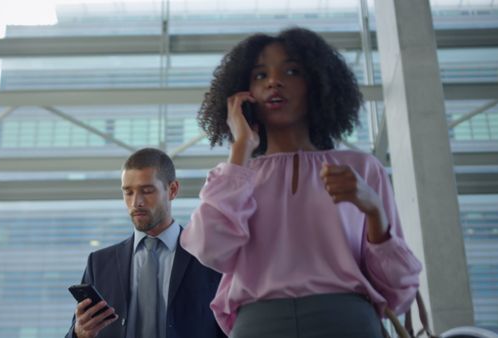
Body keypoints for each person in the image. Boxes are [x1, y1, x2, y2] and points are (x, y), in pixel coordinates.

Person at [180, 27, 423, 338]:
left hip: (346, 322)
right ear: (243, 92)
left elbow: (397, 289)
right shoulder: (232, 175)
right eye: (259, 75)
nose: (274, 81)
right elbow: (211, 251)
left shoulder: (361, 168)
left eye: (292, 70)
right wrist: (240, 148)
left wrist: (375, 212)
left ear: (317, 83)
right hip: (259, 325)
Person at [66, 148, 225, 338]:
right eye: (128, 192)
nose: (136, 202)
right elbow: (76, 332)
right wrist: (79, 333)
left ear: (172, 190)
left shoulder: (208, 257)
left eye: (147, 191)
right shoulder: (99, 263)